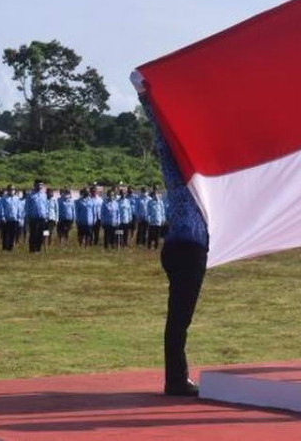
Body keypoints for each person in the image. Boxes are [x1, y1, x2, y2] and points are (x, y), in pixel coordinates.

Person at [135, 84, 211, 399]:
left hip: (181, 243)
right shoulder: (187, 170)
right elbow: (163, 135)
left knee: (179, 316)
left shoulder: (189, 170)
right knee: (180, 317)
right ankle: (175, 379)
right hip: (188, 246)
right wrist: (145, 98)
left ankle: (177, 376)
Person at [25, 180, 49, 253]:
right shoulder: (30, 195)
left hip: (42, 217)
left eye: (41, 185)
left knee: (40, 234)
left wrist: (46, 215)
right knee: (33, 234)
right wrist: (28, 216)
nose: (39, 186)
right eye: (38, 185)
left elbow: (46, 206)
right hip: (33, 217)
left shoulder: (44, 195)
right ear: (34, 185)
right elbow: (27, 207)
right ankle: (32, 249)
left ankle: (38, 249)